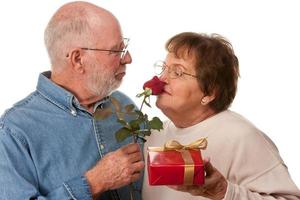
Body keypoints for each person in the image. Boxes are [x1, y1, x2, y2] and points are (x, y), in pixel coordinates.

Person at [0, 1, 144, 200]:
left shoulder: (125, 106)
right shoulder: (14, 131)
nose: (128, 58)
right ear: (78, 59)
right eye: (115, 50)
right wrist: (93, 183)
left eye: (124, 47)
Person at [142, 32, 300, 199]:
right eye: (164, 68)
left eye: (178, 72)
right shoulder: (153, 134)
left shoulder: (241, 136)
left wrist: (223, 191)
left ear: (209, 92)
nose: (162, 78)